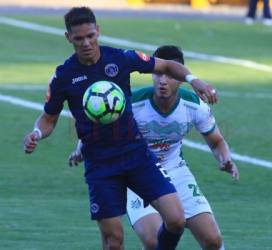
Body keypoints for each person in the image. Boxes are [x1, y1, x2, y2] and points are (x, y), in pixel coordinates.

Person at [23, 7, 218, 250]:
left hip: (137, 156)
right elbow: (48, 119)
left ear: (98, 32)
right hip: (101, 165)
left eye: (91, 36)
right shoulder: (64, 76)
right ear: (68, 38)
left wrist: (194, 80)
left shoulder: (120, 59)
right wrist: (37, 133)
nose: (86, 43)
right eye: (79, 38)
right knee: (114, 241)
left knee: (176, 219)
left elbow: (167, 65)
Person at [69, 45, 239, 250]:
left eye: (169, 75)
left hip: (176, 172)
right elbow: (101, 124)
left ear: (181, 76)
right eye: (158, 74)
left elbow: (217, 141)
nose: (163, 81)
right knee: (154, 241)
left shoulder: (194, 106)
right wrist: (81, 146)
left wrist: (225, 158)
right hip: (137, 172)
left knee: (213, 240)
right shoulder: (132, 104)